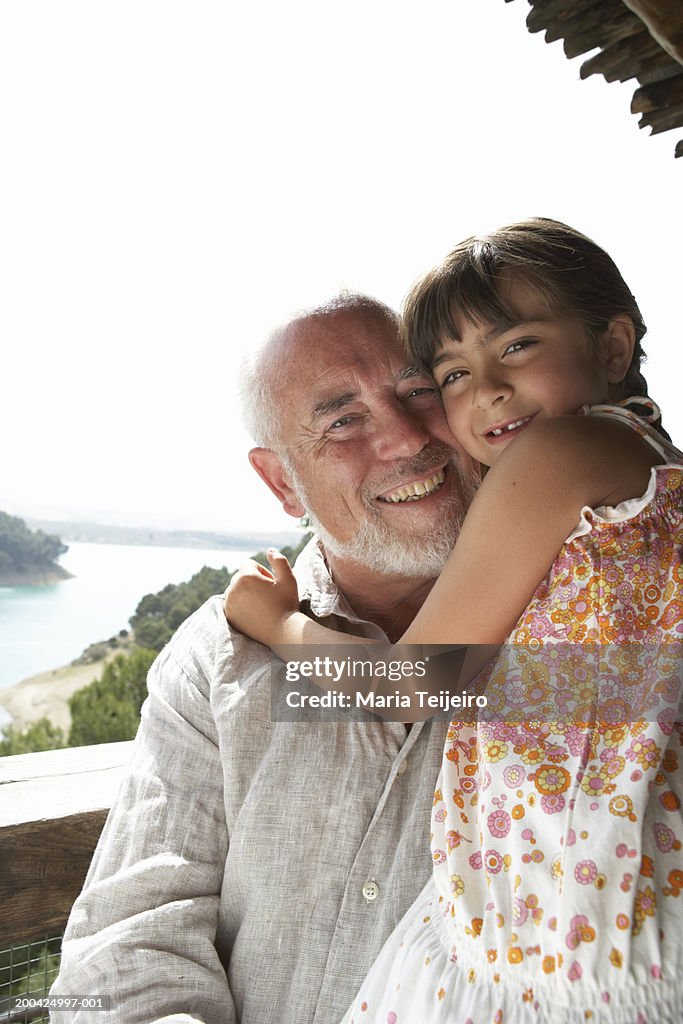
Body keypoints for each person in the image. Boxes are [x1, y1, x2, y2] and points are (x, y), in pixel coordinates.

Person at [224, 219, 683, 1023]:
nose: (487, 391)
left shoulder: (557, 457)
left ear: (612, 347)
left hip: (557, 941)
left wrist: (278, 626)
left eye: (515, 347)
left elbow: (415, 681)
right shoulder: (651, 471)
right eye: (452, 374)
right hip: (615, 921)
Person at [50, 294, 481, 1024]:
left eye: (419, 390)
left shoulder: (584, 621)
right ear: (282, 482)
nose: (407, 438)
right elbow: (130, 943)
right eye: (341, 420)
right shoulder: (215, 659)